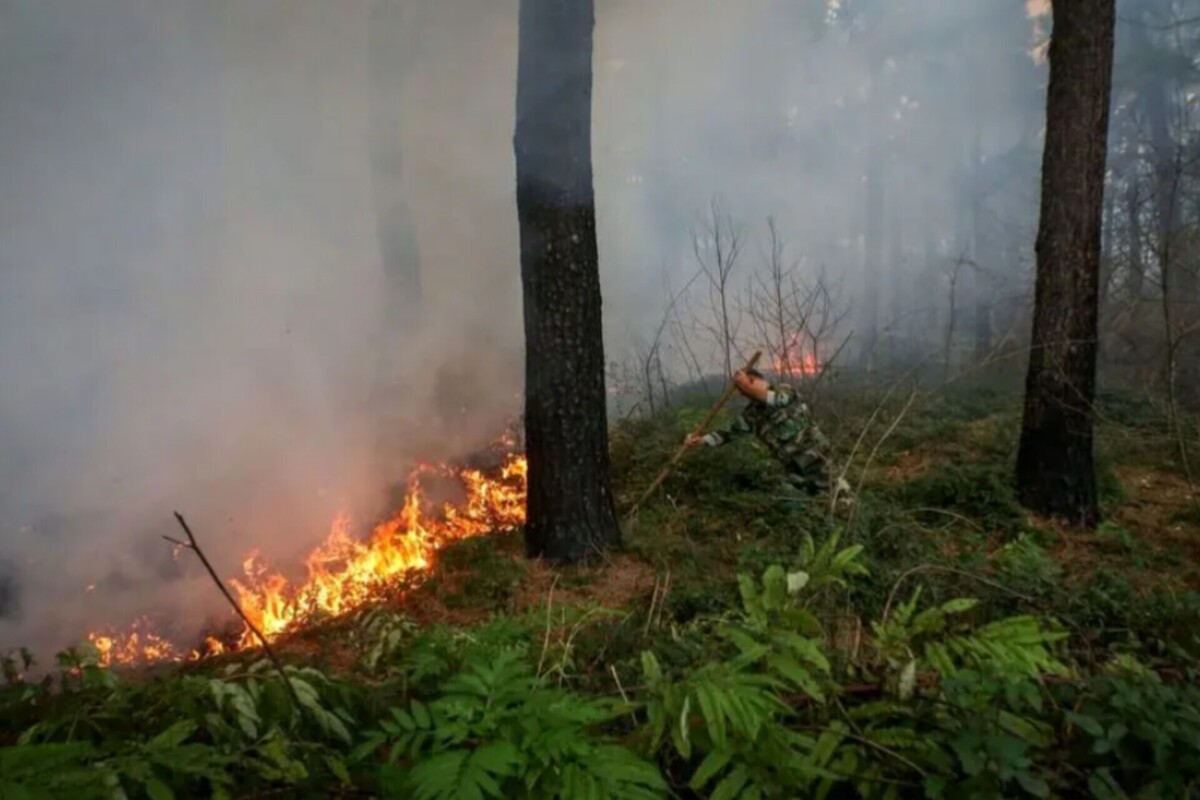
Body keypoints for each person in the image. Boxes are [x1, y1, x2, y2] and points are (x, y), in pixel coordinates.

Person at [685, 367, 852, 505]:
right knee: (808, 508)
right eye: (740, 390)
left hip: (818, 461)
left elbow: (775, 399)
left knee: (842, 503)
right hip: (793, 471)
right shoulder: (752, 415)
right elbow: (728, 434)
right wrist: (701, 440)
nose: (743, 393)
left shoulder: (784, 391)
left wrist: (745, 384)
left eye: (745, 386)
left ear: (757, 380)